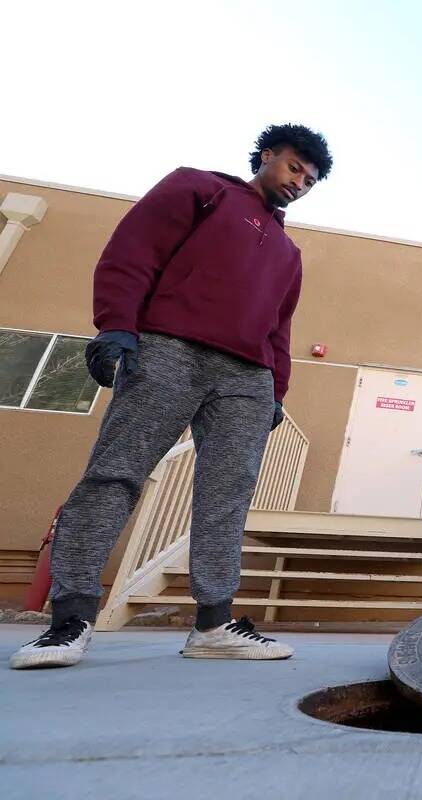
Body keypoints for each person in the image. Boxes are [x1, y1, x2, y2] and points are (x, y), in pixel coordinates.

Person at [10, 124, 333, 670]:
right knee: (116, 472)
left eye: (311, 179)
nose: (300, 181)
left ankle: (213, 625)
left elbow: (280, 328)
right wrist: (116, 326)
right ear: (267, 156)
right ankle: (69, 619)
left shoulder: (288, 251)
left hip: (247, 378)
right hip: (168, 350)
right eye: (294, 167)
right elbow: (133, 252)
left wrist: (275, 390)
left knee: (227, 494)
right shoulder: (199, 189)